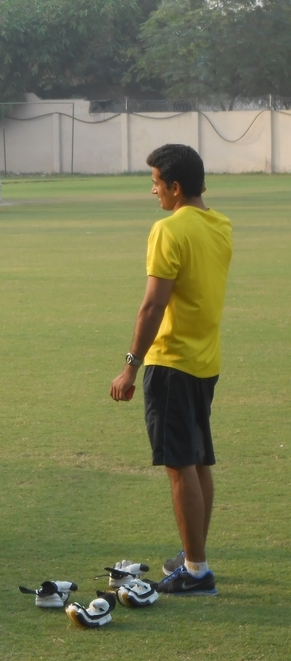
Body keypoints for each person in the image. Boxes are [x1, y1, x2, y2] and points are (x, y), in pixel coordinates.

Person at [110, 144, 232, 596]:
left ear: (175, 187)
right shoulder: (220, 225)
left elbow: (153, 304)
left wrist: (130, 366)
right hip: (204, 362)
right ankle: (192, 552)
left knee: (180, 465)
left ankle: (196, 571)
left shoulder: (168, 229)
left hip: (172, 363)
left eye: (156, 184)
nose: (153, 192)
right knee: (198, 460)